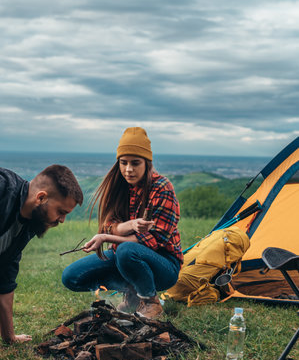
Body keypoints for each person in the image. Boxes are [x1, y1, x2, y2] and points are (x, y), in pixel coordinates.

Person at [62, 127, 183, 318]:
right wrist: (130, 225)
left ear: (147, 163)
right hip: (124, 258)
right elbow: (109, 224)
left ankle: (151, 302)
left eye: (135, 163)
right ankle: (132, 293)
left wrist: (106, 237)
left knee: (127, 251)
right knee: (71, 276)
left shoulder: (162, 189)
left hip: (164, 265)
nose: (128, 169)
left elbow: (152, 241)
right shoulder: (120, 187)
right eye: (123, 162)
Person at [0, 164, 83, 343]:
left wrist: (9, 337)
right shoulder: (3, 187)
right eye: (61, 212)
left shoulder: (28, 225)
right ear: (41, 197)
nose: (62, 220)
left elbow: (5, 278)